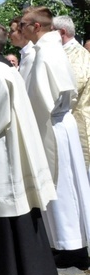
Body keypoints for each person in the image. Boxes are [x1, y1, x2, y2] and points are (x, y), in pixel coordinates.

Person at [0, 22, 59, 275]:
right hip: (12, 151)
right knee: (22, 220)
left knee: (7, 222)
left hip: (2, 156)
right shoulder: (7, 70)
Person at [20, 6, 90, 269]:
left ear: (36, 26)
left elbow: (41, 99)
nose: (22, 29)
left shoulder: (47, 52)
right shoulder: (49, 49)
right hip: (58, 124)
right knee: (63, 188)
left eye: (25, 24)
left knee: (63, 188)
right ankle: (66, 243)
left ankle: (72, 246)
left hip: (54, 126)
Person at [53, 15, 90, 168]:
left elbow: (73, 86)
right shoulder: (62, 53)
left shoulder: (78, 55)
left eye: (50, 32)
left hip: (78, 119)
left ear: (62, 33)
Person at [10, 16, 35, 80]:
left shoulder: (32, 55)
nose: (9, 34)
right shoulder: (24, 54)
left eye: (12, 31)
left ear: (23, 32)